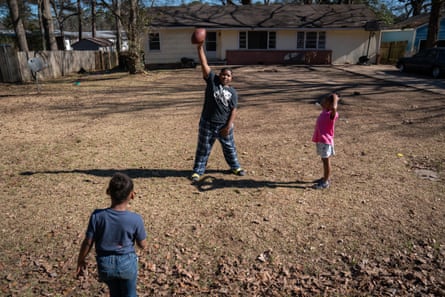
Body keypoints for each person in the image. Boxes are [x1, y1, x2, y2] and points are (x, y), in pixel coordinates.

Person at [76, 172, 147, 297]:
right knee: (130, 293)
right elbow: (142, 244)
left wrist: (81, 259)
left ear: (108, 191)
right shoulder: (136, 219)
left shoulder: (97, 216)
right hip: (127, 263)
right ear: (132, 195)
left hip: (105, 264)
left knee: (114, 293)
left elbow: (88, 242)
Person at [190, 42, 245, 182]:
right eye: (223, 74)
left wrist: (228, 126)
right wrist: (199, 48)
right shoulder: (212, 82)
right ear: (219, 75)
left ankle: (235, 167)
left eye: (228, 76)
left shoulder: (233, 92)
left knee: (229, 148)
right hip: (207, 123)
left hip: (224, 125)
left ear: (231, 78)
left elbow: (233, 110)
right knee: (203, 149)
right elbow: (204, 64)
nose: (225, 77)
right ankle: (198, 171)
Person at [312, 93, 340, 189]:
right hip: (321, 141)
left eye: (325, 101)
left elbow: (334, 108)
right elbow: (322, 104)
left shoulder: (331, 115)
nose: (322, 102)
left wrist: (335, 98)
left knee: (326, 161)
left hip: (326, 142)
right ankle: (325, 177)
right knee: (323, 160)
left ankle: (325, 182)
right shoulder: (324, 111)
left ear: (330, 104)